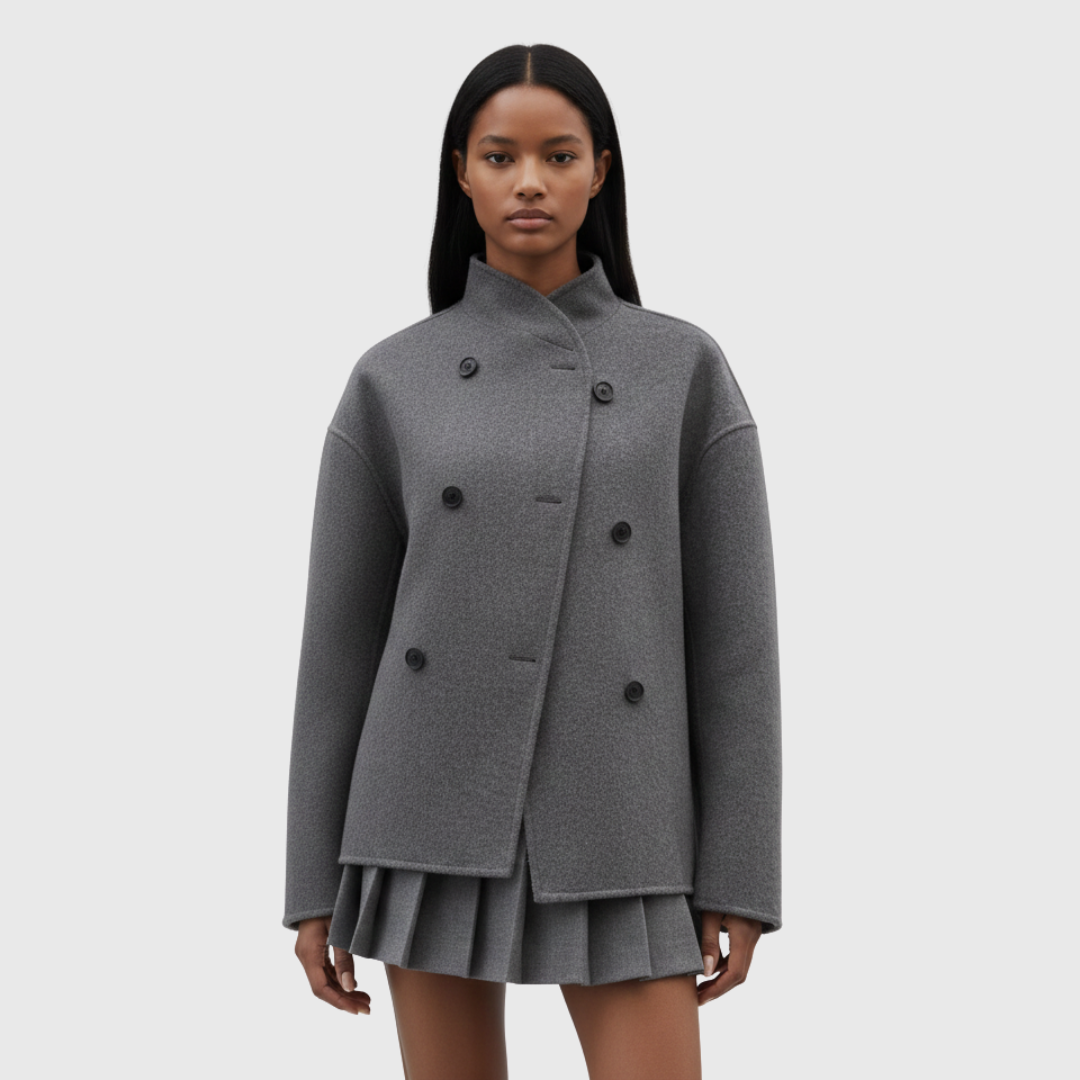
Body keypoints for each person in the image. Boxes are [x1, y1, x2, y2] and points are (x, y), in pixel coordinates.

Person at [283, 42, 782, 1080]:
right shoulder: (392, 378)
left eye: (558, 156)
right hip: (424, 809)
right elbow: (337, 651)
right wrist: (312, 883)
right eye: (500, 156)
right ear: (460, 172)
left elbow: (736, 646)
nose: (529, 183)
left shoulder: (682, 368)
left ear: (601, 171)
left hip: (623, 809)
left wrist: (740, 871)